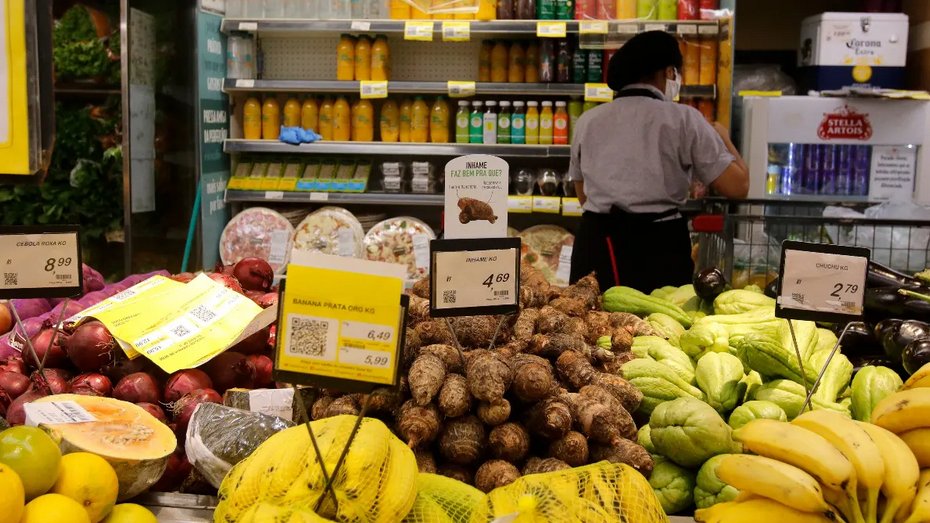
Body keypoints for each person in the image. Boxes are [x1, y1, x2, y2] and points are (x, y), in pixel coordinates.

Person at [567, 31, 749, 293]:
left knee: (590, 324)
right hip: (659, 245)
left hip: (597, 242)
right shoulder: (684, 119)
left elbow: (582, 193)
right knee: (660, 326)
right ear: (667, 72)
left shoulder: (588, 120)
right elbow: (738, 187)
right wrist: (723, 136)